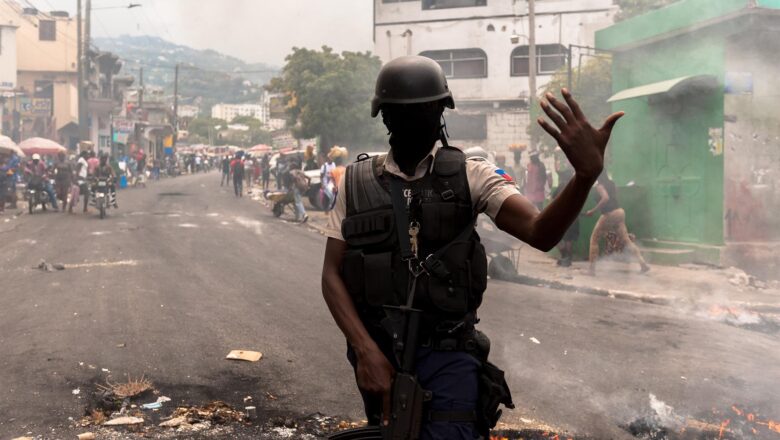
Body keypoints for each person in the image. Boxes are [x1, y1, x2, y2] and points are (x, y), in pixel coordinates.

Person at [321, 55, 623, 439]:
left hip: (448, 353)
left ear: (441, 112)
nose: (415, 121)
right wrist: (365, 351)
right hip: (380, 353)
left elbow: (541, 232)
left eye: (425, 111)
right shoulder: (356, 183)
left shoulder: (471, 174)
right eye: (403, 113)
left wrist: (584, 176)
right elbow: (331, 274)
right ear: (385, 118)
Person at [585, 172, 650, 275]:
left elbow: (605, 198)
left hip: (609, 213)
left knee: (594, 238)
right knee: (627, 240)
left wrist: (593, 211)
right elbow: (615, 194)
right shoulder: (612, 183)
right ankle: (643, 264)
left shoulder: (599, 186)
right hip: (619, 212)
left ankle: (591, 270)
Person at [553, 167, 579, 267]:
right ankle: (567, 259)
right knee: (569, 239)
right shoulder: (575, 185)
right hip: (573, 216)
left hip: (563, 216)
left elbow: (553, 199)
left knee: (556, 238)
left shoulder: (562, 185)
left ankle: (565, 257)